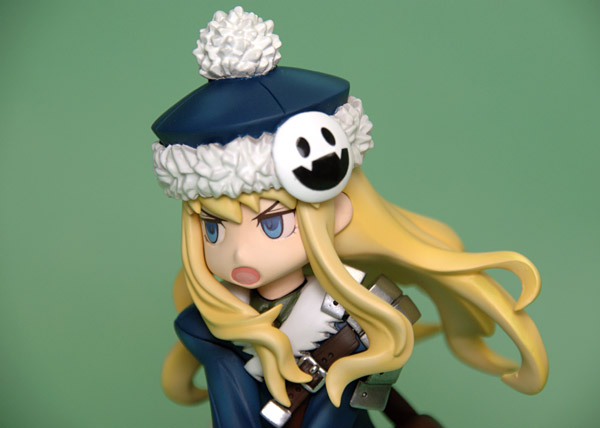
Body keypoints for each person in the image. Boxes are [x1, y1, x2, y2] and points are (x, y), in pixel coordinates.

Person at [151, 7, 548, 428]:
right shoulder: (212, 323)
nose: (239, 253)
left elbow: (361, 391)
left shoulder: (351, 312)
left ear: (337, 211)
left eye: (272, 224)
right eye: (213, 229)